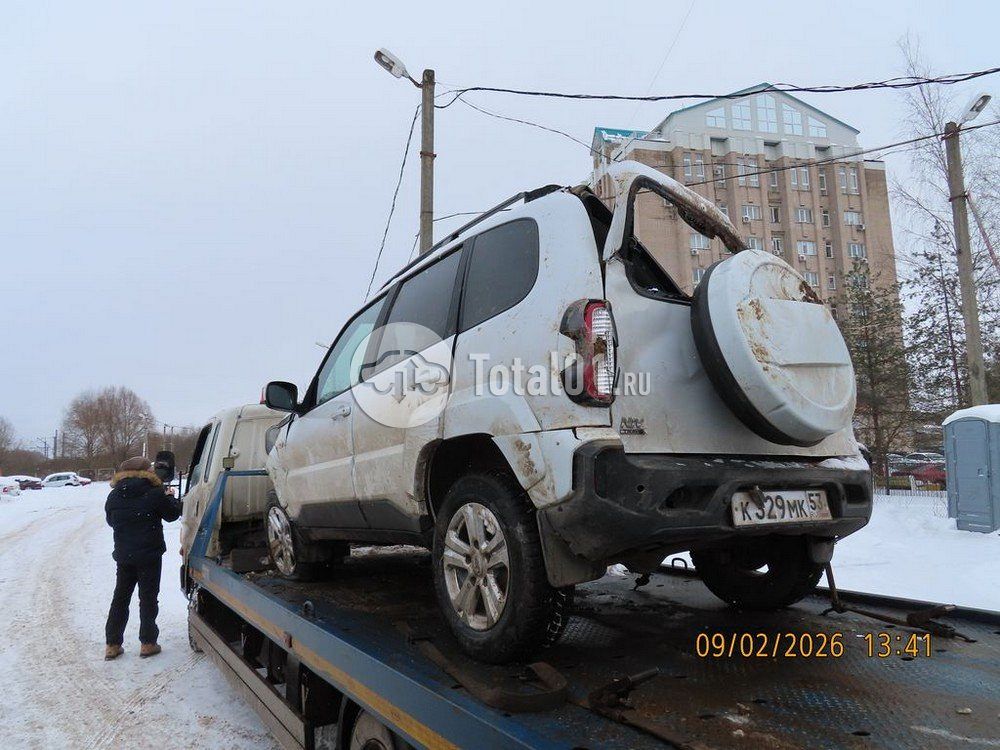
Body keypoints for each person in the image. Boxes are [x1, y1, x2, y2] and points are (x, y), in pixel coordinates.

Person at [103, 456, 182, 660]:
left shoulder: (114, 496)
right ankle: (148, 643)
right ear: (147, 471)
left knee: (120, 597)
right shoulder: (154, 493)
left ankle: (112, 644)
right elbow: (172, 514)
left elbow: (111, 521)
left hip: (124, 554)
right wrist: (171, 497)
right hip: (149, 554)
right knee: (147, 598)